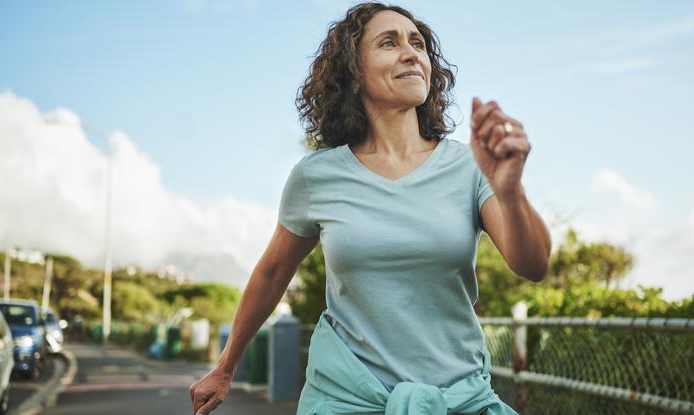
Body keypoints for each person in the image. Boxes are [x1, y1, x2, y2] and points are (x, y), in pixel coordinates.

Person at [189, 2, 552, 414]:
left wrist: (511, 191)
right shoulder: (316, 176)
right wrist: (225, 366)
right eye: (388, 42)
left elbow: (533, 265)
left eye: (417, 43)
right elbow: (273, 272)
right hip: (345, 400)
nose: (411, 53)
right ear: (354, 71)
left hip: (457, 400)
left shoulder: (469, 165)